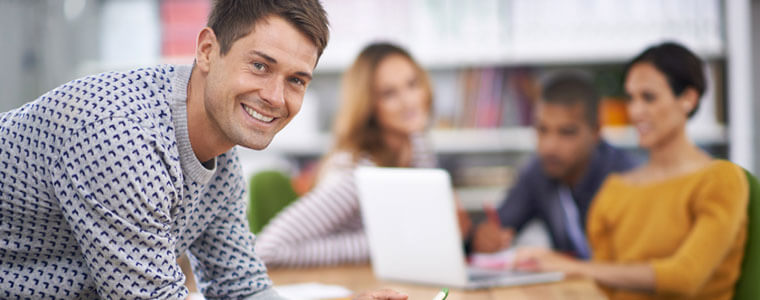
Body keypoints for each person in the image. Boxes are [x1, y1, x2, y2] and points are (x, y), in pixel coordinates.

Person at [0, 1, 405, 299]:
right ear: (208, 50)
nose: (275, 97)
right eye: (260, 66)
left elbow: (240, 287)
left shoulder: (222, 162)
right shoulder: (121, 136)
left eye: (297, 80)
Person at [515, 42, 748, 300]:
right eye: (631, 98)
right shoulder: (616, 189)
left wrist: (569, 266)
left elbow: (684, 278)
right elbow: (603, 287)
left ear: (688, 99)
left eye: (649, 97)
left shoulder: (720, 180)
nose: (635, 111)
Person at [255, 42, 467, 267]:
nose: (409, 101)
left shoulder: (417, 144)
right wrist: (384, 243)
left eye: (412, 84)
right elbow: (268, 248)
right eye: (389, 93)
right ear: (369, 105)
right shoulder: (354, 170)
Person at [468, 73, 638, 258]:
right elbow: (500, 224)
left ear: (596, 130)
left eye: (566, 132)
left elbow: (634, 265)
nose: (550, 146)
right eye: (542, 130)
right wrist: (480, 238)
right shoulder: (539, 171)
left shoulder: (625, 177)